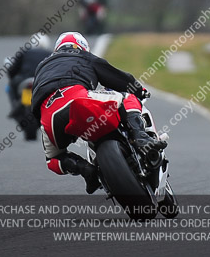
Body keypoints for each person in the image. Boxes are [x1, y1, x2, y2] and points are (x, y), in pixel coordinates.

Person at [31, 31, 166, 194]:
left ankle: (86, 170)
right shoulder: (82, 56)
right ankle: (141, 138)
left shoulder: (42, 66)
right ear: (82, 47)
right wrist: (139, 90)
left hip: (48, 113)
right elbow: (116, 77)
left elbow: (34, 101)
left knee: (53, 159)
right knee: (127, 98)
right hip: (75, 96)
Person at [5, 38, 52, 141]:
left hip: (25, 81)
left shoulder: (25, 52)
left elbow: (12, 70)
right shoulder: (50, 54)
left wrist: (13, 77)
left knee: (10, 86)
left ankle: (14, 105)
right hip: (42, 83)